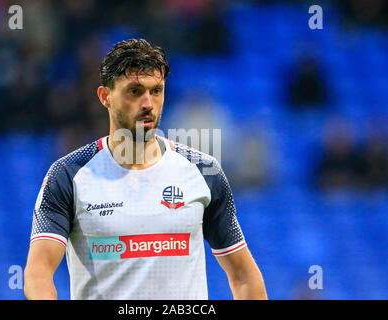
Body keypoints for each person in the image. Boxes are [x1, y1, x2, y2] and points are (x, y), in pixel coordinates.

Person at [24, 39, 267, 300]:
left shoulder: (203, 172)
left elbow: (243, 276)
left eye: (156, 91)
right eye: (135, 91)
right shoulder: (68, 175)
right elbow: (38, 274)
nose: (148, 103)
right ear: (105, 97)